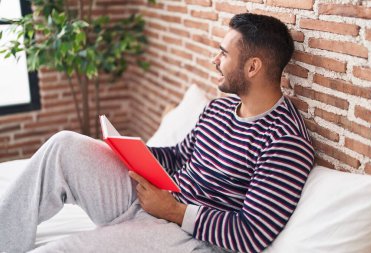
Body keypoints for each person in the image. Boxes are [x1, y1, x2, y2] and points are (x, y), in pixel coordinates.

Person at [0, 13, 314, 253]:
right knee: (64, 144)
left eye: (224, 54)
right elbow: (178, 155)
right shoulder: (219, 109)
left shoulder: (285, 141)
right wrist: (122, 151)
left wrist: (174, 211)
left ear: (253, 67)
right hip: (158, 200)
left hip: (190, 236)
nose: (214, 60)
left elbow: (251, 233)